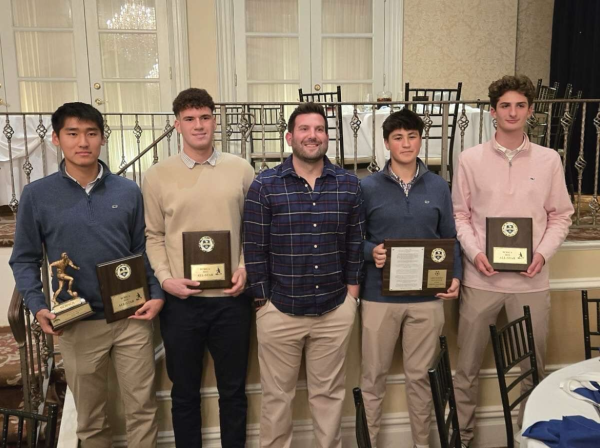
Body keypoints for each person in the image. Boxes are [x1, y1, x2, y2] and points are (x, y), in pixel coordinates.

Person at [10, 102, 164, 447]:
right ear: (55, 139)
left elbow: (143, 249)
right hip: (77, 324)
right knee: (92, 419)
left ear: (102, 138)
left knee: (142, 409)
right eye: (73, 133)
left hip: (132, 317)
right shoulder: (37, 195)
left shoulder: (128, 191)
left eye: (91, 133)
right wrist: (37, 306)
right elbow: (24, 259)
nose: (83, 142)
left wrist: (156, 295)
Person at [451, 75, 573, 446]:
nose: (513, 112)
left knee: (531, 369)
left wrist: (541, 254)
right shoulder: (469, 159)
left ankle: (527, 440)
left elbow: (561, 215)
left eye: (520, 105)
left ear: (530, 111)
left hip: (531, 283)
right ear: (493, 112)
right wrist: (474, 254)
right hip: (480, 281)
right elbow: (460, 214)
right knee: (467, 369)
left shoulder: (550, 160)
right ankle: (463, 437)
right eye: (505, 105)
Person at [243, 102, 365, 448]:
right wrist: (263, 303)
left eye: (319, 129)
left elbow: (355, 243)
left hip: (333, 308)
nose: (313, 136)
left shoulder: (349, 185)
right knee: (277, 400)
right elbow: (254, 247)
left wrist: (351, 297)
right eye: (304, 129)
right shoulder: (265, 185)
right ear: (289, 137)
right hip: (279, 310)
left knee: (328, 399)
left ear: (327, 137)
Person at [142, 88, 254, 447]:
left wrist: (244, 267)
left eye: (205, 117)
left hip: (232, 300)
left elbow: (253, 230)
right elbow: (154, 236)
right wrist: (165, 279)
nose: (199, 125)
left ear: (214, 120)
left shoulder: (241, 170)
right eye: (189, 119)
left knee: (233, 391)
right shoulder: (157, 176)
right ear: (177, 125)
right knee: (184, 393)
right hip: (182, 303)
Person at [360, 108, 462, 448]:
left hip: (427, 299)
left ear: (421, 140)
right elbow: (353, 239)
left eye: (412, 136)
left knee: (420, 379)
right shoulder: (368, 187)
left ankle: (422, 444)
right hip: (378, 298)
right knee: (373, 378)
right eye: (398, 138)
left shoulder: (439, 185)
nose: (406, 143)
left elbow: (450, 238)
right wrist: (369, 251)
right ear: (387, 143)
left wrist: (456, 277)